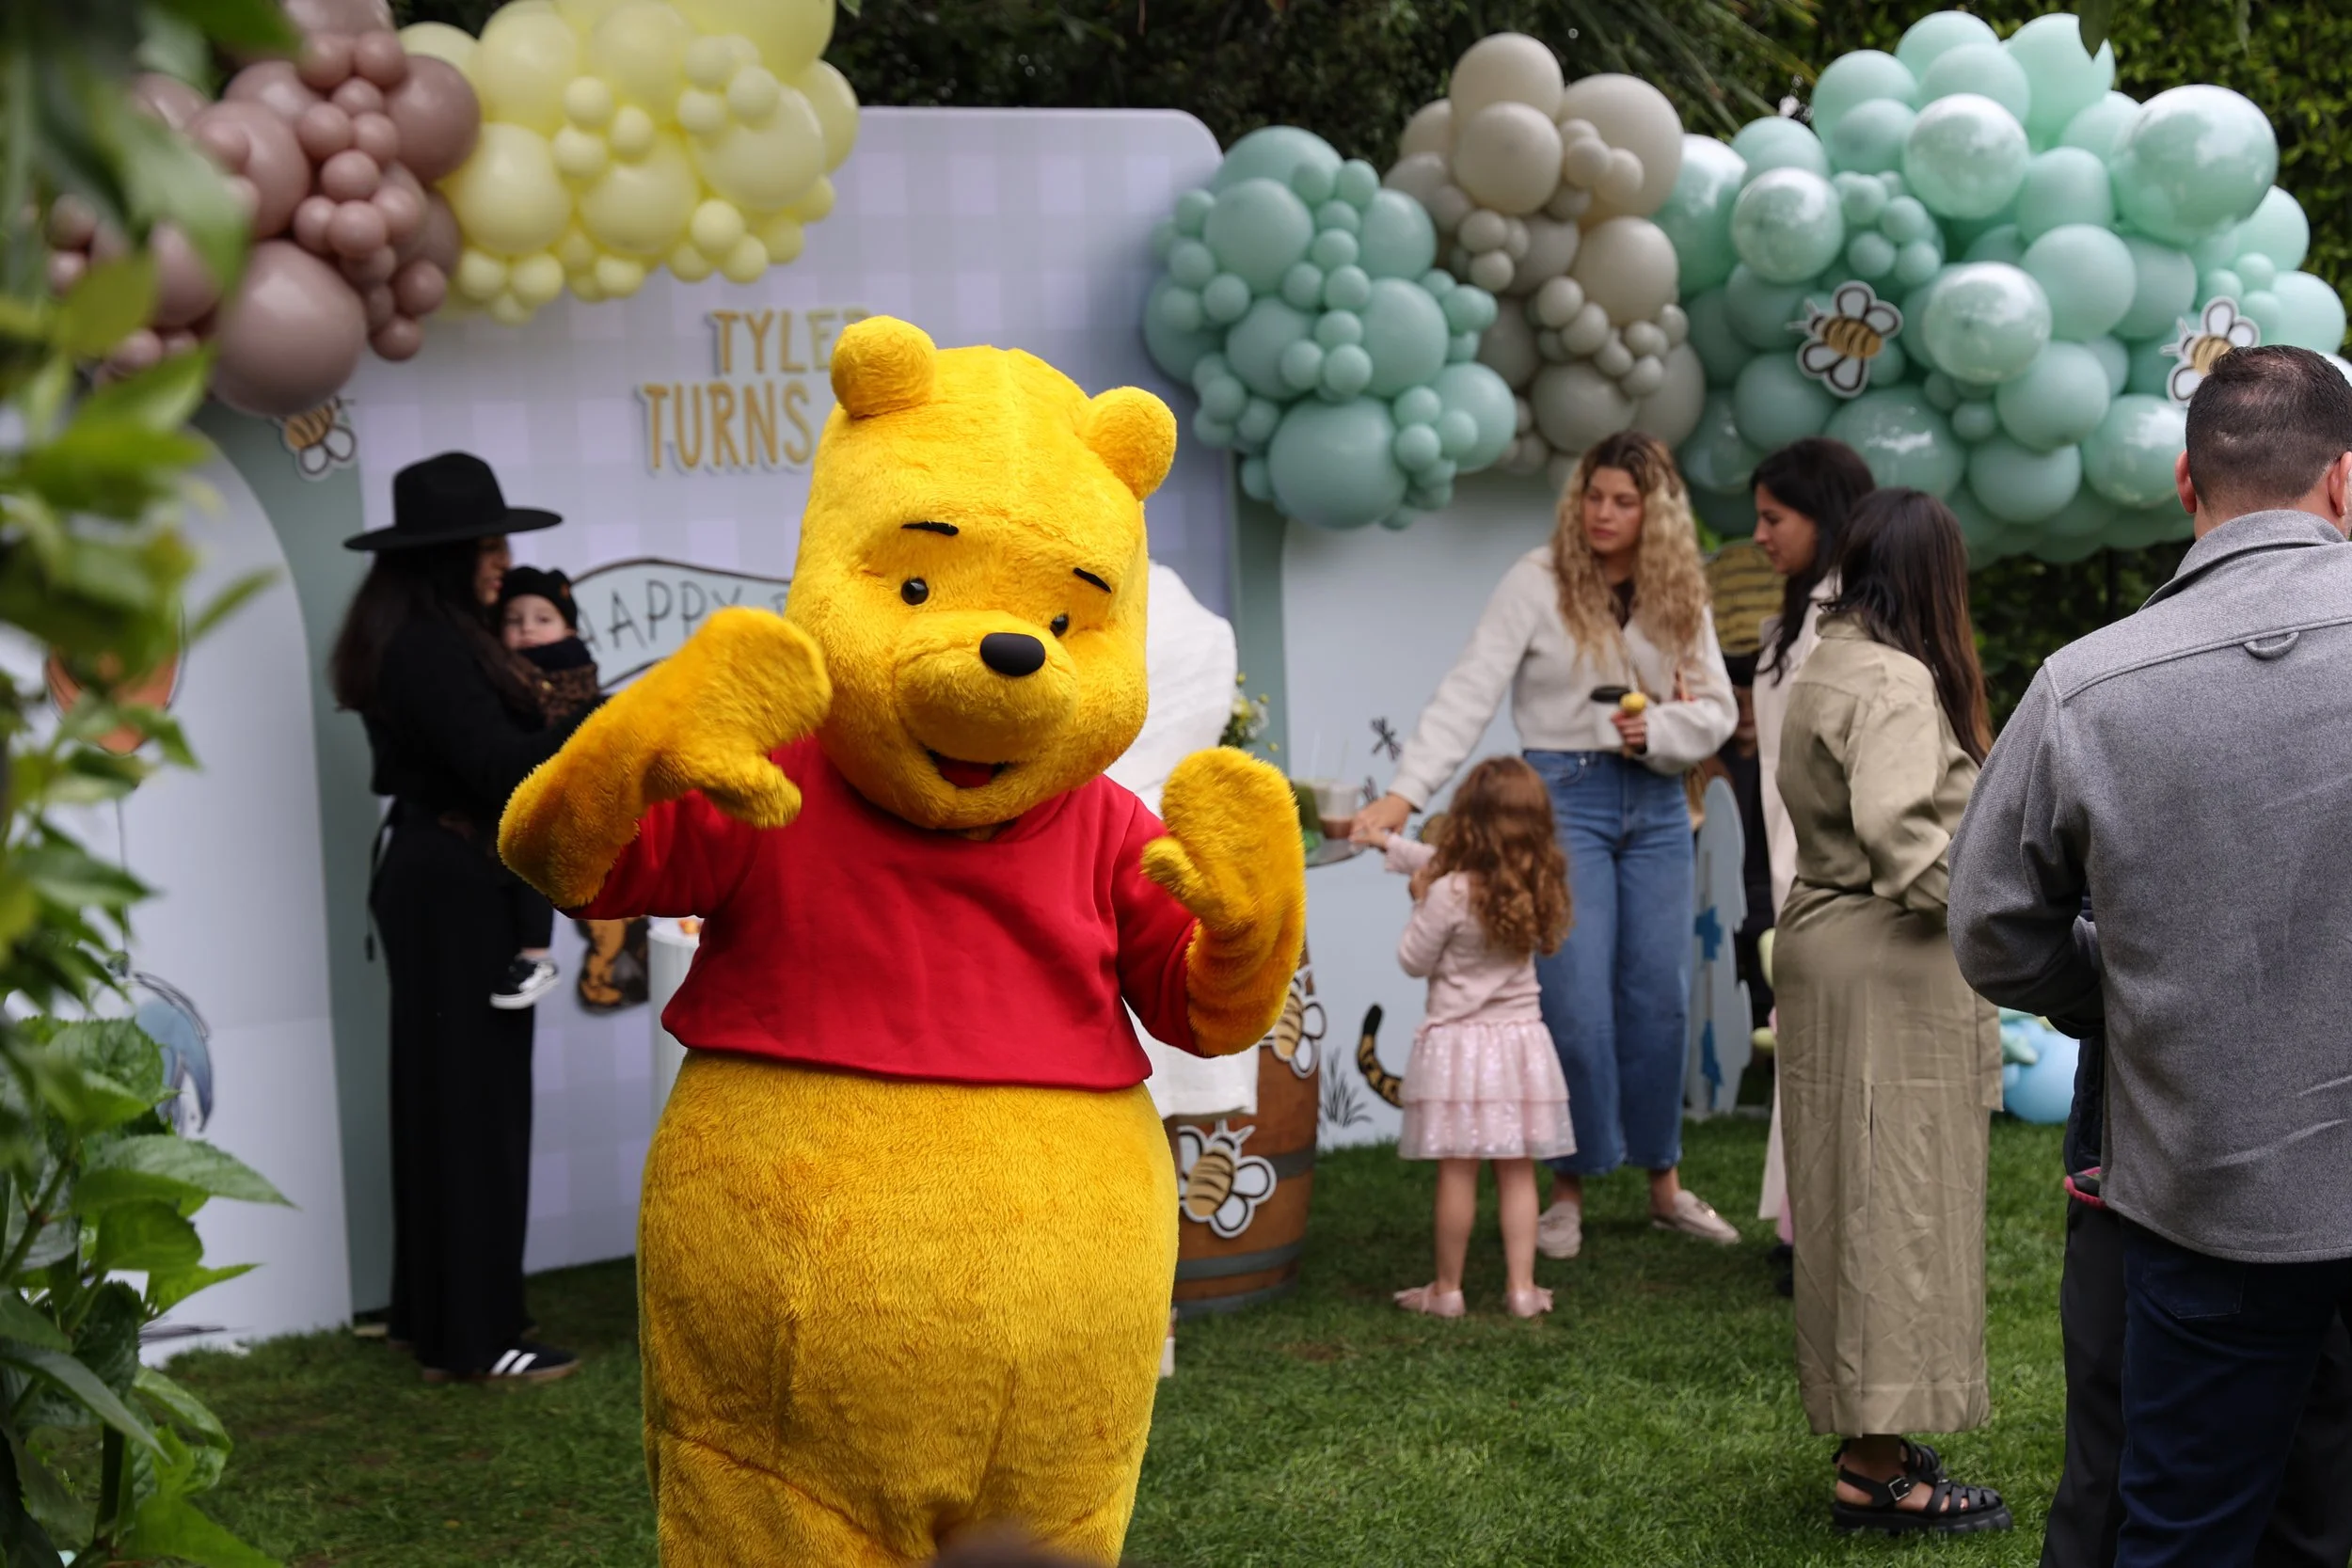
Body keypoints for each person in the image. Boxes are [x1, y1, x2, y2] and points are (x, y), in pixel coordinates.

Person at [1949, 345, 2352, 1568]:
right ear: (2344, 486)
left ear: (2187, 482)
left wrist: (2114, 993)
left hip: (2204, 1191)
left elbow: (1987, 922)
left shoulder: (2087, 686)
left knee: (2182, 1529)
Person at [1350, 430, 1740, 1259]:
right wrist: (1404, 793)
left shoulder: (1680, 587)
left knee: (1659, 998)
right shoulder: (1536, 580)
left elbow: (1717, 712)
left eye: (1623, 501)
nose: (1602, 513)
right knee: (1573, 1001)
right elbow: (1468, 692)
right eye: (1593, 495)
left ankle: (1663, 1184)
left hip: (1660, 799)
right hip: (1565, 798)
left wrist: (1658, 728)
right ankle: (1569, 1189)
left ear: (1654, 513)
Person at [1774, 487, 2009, 1534]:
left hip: (1827, 951)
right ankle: (1877, 1471)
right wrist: (2005, 918)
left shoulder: (1823, 659)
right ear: (1931, 577)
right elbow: (1900, 832)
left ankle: (1870, 1438)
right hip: (1885, 964)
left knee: (1847, 1200)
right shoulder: (1895, 680)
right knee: (1894, 1207)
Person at [331, 451, 588, 1385]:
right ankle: (479, 1335)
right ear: (444, 555)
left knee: (444, 1101)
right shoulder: (432, 647)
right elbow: (504, 770)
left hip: (439, 879)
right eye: (487, 544)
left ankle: (434, 1317)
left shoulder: (422, 633)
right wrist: (597, 720)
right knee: (475, 1107)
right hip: (456, 886)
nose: (502, 560)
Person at [2041, 901, 2352, 1568]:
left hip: (2291, 1149)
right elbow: (2005, 920)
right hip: (2162, 1148)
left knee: (2307, 1460)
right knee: (2132, 1463)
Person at [1366, 755, 1575, 1320]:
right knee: (1517, 1169)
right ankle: (1523, 1290)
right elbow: (1438, 863)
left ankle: (1449, 1290)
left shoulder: (1448, 892)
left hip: (1459, 1049)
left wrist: (1417, 898)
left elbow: (1413, 960)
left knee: (1457, 1169)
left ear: (1467, 820)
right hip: (1519, 1047)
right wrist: (1391, 847)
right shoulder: (1537, 883)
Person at [1745, 439, 1876, 1259]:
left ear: (1823, 519)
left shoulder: (1851, 620)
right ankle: (1803, 1223)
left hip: (1829, 866)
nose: (1758, 534)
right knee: (1804, 1041)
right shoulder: (1797, 613)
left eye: (1773, 517)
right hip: (1786, 857)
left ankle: (1822, 1231)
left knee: (1828, 1046)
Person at [491, 566, 601, 1008]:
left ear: (568, 627)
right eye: (514, 621)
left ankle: (536, 954)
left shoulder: (576, 669)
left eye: (542, 619)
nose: (528, 630)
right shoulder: (499, 676)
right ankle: (536, 955)